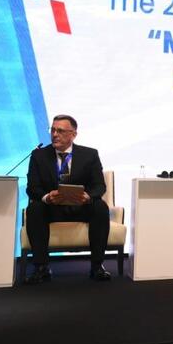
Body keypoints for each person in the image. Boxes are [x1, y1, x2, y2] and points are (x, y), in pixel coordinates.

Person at [24, 114, 111, 284]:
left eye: (60, 131)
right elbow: (32, 187)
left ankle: (97, 266)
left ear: (73, 134)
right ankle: (41, 268)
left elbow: (99, 186)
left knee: (100, 207)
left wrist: (88, 196)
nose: (55, 134)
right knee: (35, 209)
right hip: (52, 208)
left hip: (81, 208)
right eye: (53, 130)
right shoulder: (39, 155)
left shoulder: (90, 154)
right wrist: (47, 197)